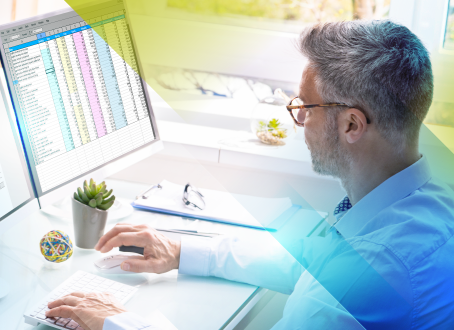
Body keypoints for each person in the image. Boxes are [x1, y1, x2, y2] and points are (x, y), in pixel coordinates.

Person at [45, 19, 454, 330]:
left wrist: (119, 321)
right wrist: (181, 251)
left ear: (351, 125)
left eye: (306, 108)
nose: (299, 121)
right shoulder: (422, 203)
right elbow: (311, 260)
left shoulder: (376, 269)